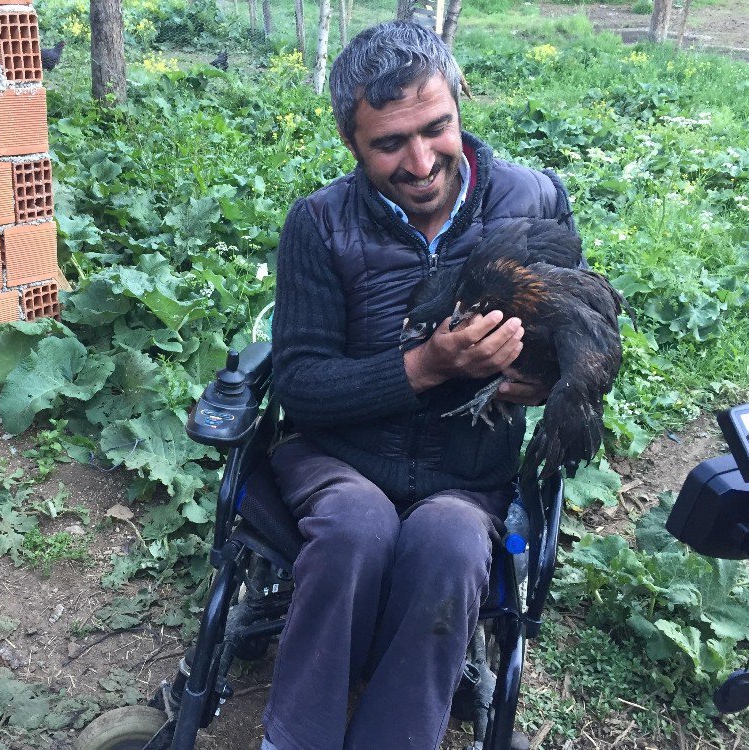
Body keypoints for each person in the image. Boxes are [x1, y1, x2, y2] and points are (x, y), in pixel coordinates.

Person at [263, 21, 576, 750]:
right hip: (338, 458)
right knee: (353, 528)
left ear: (460, 102)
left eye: (436, 128)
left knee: (452, 544)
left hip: (465, 472)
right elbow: (301, 386)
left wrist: (537, 378)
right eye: (388, 143)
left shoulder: (533, 203)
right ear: (351, 142)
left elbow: (577, 342)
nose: (421, 160)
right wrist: (427, 367)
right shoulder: (317, 224)